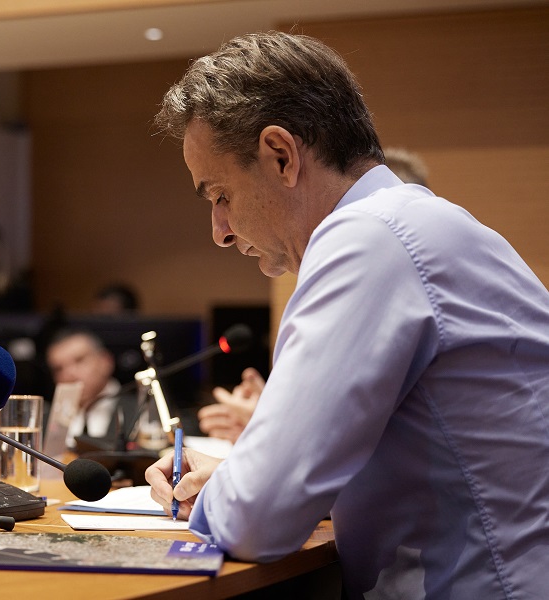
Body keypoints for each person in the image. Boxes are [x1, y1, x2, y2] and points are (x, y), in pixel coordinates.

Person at [144, 31, 549, 599]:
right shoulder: (422, 224)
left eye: (220, 195)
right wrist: (233, 481)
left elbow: (259, 517)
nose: (220, 231)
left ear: (281, 155)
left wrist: (223, 496)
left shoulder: (368, 241)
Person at [197, 148, 432, 444]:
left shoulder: (372, 256)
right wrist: (270, 423)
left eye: (223, 196)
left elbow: (333, 443)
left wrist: (269, 429)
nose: (220, 234)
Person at [44, 327, 140, 451]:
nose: (68, 374)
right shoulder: (45, 420)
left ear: (106, 361)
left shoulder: (142, 409)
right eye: (58, 369)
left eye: (79, 360)